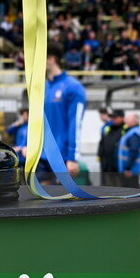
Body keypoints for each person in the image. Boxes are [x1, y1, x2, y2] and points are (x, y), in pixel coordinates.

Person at [42, 45, 87, 181]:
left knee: (59, 195)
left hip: (61, 157)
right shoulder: (42, 87)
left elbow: (75, 123)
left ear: (51, 59)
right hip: (41, 156)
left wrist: (72, 157)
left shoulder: (73, 87)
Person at [117, 112, 140, 189]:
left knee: (132, 191)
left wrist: (128, 168)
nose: (125, 120)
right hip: (131, 170)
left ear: (134, 121)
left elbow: (134, 151)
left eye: (128, 119)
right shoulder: (132, 132)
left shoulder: (134, 133)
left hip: (131, 171)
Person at [98, 108, 126, 187]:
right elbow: (102, 144)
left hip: (119, 167)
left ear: (121, 117)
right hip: (107, 166)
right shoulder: (108, 128)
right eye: (112, 117)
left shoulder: (126, 129)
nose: (113, 119)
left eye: (115, 117)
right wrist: (100, 156)